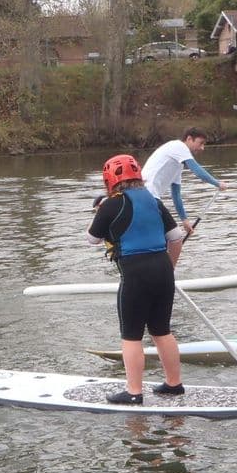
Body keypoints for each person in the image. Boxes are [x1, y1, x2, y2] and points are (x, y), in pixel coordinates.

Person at [87, 154, 185, 405]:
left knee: (131, 334)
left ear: (110, 180)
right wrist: (169, 269)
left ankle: (133, 392)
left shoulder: (111, 204)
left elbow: (93, 239)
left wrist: (101, 212)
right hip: (163, 270)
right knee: (161, 330)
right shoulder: (154, 200)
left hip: (135, 273)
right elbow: (175, 238)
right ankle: (174, 385)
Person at [142, 127, 228, 264]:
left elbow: (176, 194)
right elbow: (197, 171)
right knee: (175, 236)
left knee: (164, 240)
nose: (202, 148)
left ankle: (159, 271)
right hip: (147, 197)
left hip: (148, 198)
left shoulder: (178, 163)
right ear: (189, 139)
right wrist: (217, 183)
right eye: (200, 143)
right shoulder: (178, 146)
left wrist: (185, 220)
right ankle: (167, 275)